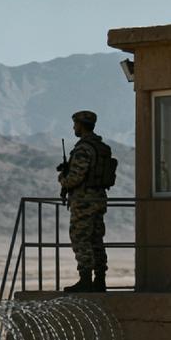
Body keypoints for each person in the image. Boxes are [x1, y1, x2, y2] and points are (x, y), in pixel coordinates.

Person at [57, 110, 114, 292]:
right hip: (98, 199)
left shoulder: (83, 149)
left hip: (84, 201)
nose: (74, 127)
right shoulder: (100, 147)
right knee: (96, 239)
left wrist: (62, 179)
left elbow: (75, 177)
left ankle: (85, 279)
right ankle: (100, 279)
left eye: (75, 124)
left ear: (81, 125)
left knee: (80, 238)